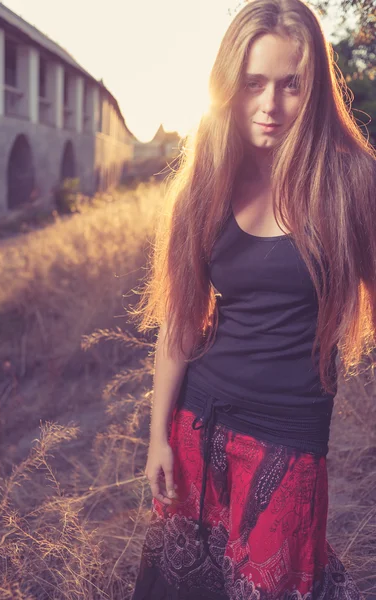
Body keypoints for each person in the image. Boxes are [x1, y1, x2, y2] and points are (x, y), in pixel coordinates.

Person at [129, 0, 376, 597]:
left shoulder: (351, 182)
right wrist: (158, 436)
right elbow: (180, 324)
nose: (270, 106)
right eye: (252, 84)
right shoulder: (204, 186)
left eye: (291, 85)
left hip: (288, 438)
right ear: (227, 88)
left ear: (313, 88)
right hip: (198, 423)